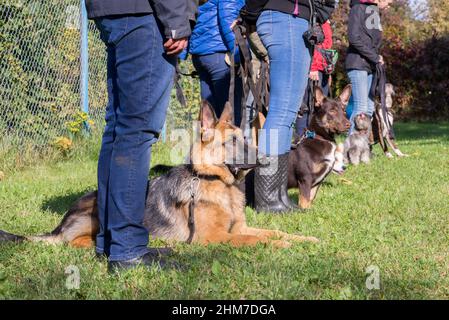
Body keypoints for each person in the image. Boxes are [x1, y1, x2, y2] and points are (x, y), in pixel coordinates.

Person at [85, 0, 196, 272]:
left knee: (119, 127)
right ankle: (127, 249)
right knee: (136, 130)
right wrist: (177, 20)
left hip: (117, 11)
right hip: (143, 14)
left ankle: (111, 241)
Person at [188, 0, 244, 124]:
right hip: (219, 53)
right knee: (230, 117)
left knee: (209, 119)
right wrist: (239, 55)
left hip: (200, 55)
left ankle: (207, 143)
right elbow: (228, 18)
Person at [345, 0, 392, 132]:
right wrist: (374, 57)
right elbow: (353, 38)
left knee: (369, 108)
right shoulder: (358, 8)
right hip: (357, 63)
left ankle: (364, 146)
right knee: (361, 107)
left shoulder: (374, 11)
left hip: (370, 65)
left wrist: (376, 58)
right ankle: (352, 148)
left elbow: (371, 41)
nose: (389, 6)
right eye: (389, 3)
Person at [296, 20, 334, 137]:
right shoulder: (315, 17)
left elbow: (326, 46)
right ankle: (302, 139)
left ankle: (315, 138)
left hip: (323, 69)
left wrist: (328, 69)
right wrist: (313, 67)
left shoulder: (324, 19)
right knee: (307, 107)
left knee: (320, 107)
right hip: (313, 69)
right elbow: (312, 43)